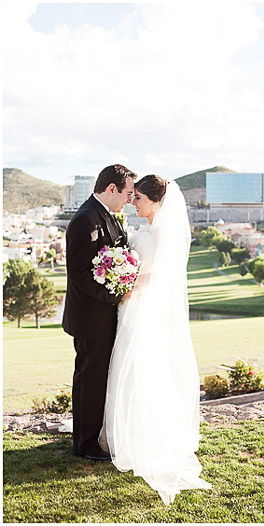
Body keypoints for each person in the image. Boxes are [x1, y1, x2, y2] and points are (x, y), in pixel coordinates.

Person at [102, 175, 211, 504]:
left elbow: (160, 274)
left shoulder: (165, 231)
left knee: (142, 369)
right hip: (130, 306)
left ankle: (141, 437)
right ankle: (121, 431)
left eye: (138, 198)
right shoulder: (145, 230)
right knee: (125, 368)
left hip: (143, 309)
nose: (133, 203)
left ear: (155, 200)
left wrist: (127, 286)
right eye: (132, 197)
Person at [62, 164, 136, 460]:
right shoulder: (85, 220)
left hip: (102, 315)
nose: (129, 199)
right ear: (111, 189)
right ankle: (85, 444)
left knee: (97, 378)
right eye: (128, 193)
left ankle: (91, 436)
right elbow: (80, 273)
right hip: (90, 318)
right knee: (89, 380)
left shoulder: (105, 215)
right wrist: (115, 294)